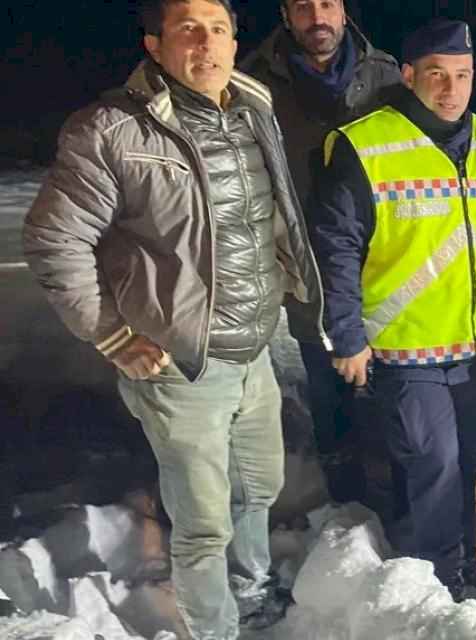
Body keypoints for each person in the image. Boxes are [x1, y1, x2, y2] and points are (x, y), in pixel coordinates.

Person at [23, 0, 325, 636]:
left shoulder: (253, 108)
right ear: (155, 46)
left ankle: (251, 590)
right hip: (177, 361)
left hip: (253, 350)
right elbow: (56, 240)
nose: (206, 43)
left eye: (218, 29)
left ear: (236, 43)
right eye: (187, 29)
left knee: (259, 487)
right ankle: (213, 627)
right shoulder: (110, 128)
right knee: (204, 520)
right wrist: (112, 333)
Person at [307, 19, 476, 599]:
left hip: (470, 347)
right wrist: (346, 334)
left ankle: (458, 558)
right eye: (436, 75)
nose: (451, 89)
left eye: (463, 76)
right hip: (404, 345)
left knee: (462, 463)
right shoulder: (366, 144)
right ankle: (436, 583)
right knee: (434, 465)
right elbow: (338, 246)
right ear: (407, 75)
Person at [241, 0, 402, 506]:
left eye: (327, 3)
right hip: (303, 255)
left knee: (390, 378)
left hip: (383, 256)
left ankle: (396, 488)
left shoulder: (386, 74)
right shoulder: (251, 80)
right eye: (304, 6)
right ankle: (344, 496)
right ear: (286, 13)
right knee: (325, 368)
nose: (318, 16)